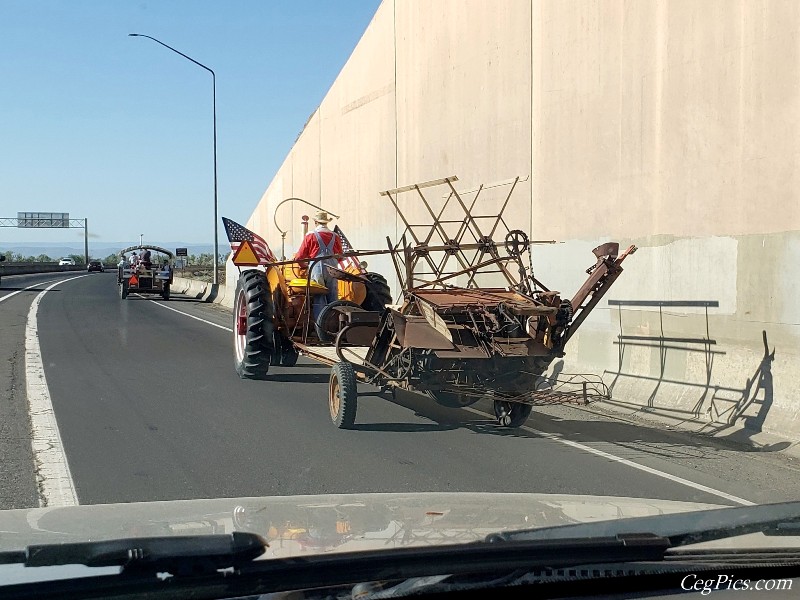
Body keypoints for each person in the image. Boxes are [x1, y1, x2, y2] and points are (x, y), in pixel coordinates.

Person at [293, 210, 342, 322]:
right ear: (326, 222)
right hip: (333, 269)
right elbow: (340, 256)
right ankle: (333, 325)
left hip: (317, 268)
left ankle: (320, 326)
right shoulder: (335, 236)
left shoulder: (310, 236)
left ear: (315, 222)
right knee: (333, 297)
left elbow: (299, 257)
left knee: (319, 295)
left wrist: (304, 266)